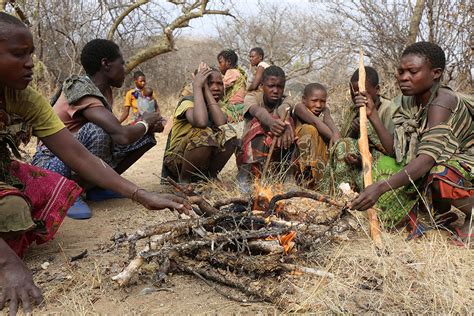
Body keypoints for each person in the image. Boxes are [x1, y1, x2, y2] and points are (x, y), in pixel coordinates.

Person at [0, 13, 189, 316]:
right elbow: (116, 133)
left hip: (6, 172)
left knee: (28, 203)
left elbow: (80, 156)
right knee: (11, 212)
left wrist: (141, 195)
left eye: (31, 54)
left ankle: (88, 191)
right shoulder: (80, 88)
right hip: (43, 165)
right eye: (18, 54)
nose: (30, 63)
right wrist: (9, 264)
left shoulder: (25, 99)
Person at [351, 42, 473, 242]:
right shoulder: (408, 101)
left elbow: (426, 159)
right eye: (401, 72)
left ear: (436, 73)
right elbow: (395, 150)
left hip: (466, 166)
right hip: (445, 164)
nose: (403, 77)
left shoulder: (442, 101)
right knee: (388, 165)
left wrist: (381, 187)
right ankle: (438, 212)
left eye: (412, 72)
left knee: (438, 172)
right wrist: (372, 114)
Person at [32, 39, 166, 219]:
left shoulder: (105, 92)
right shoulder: (80, 88)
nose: (124, 69)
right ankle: (70, 193)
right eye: (122, 63)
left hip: (78, 157)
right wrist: (145, 122)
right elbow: (120, 135)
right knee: (98, 131)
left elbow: (120, 133)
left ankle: (98, 186)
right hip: (51, 163)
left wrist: (148, 126)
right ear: (106, 64)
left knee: (145, 137)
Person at [163, 63, 237, 183]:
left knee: (231, 133)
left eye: (219, 84)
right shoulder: (187, 102)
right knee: (204, 133)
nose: (216, 88)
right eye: (209, 84)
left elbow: (222, 124)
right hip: (178, 161)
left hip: (203, 160)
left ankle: (209, 177)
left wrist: (206, 91)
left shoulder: (218, 106)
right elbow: (201, 122)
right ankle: (184, 181)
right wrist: (198, 87)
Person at [237, 65, 296, 186]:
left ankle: (286, 177)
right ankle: (246, 178)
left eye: (280, 87)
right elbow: (258, 112)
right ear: (262, 85)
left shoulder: (286, 99)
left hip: (275, 153)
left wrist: (284, 124)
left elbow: (284, 108)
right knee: (259, 124)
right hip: (250, 153)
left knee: (288, 123)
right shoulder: (252, 97)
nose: (275, 90)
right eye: (271, 86)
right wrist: (272, 123)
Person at [293, 83, 340, 187]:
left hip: (319, 162)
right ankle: (305, 177)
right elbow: (316, 123)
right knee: (310, 129)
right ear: (304, 99)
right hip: (297, 159)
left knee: (326, 138)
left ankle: (320, 181)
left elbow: (335, 133)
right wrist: (336, 140)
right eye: (314, 101)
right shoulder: (299, 107)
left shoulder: (323, 112)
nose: (318, 105)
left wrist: (327, 116)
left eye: (322, 102)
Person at [217, 49, 248, 122]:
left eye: (220, 62)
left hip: (233, 106)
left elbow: (222, 86)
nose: (218, 66)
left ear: (228, 62)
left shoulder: (231, 72)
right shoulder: (239, 72)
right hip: (240, 105)